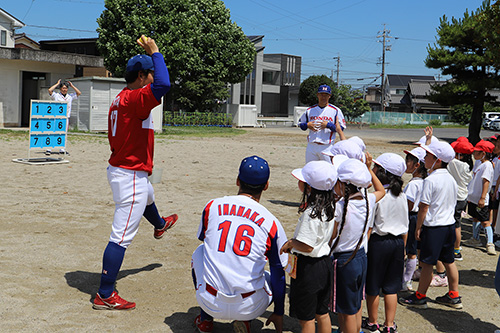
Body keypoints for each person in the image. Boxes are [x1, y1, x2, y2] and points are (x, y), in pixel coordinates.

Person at [93, 36, 178, 310]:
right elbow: (164, 85)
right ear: (141, 76)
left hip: (123, 168)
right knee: (120, 236)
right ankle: (105, 293)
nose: (153, 78)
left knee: (149, 194)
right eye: (149, 74)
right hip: (129, 174)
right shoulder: (136, 99)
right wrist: (155, 51)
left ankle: (159, 224)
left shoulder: (121, 97)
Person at [192, 156, 288, 333]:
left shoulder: (212, 206)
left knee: (199, 252)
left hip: (210, 301)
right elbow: (279, 273)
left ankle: (205, 320)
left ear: (237, 181)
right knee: (270, 272)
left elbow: (205, 240)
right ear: (266, 185)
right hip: (250, 306)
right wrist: (279, 312)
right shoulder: (271, 221)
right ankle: (244, 320)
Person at [399, 140, 462, 310]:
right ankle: (454, 295)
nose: (425, 158)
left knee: (427, 263)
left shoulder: (431, 180)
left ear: (438, 160)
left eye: (428, 156)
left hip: (434, 227)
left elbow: (424, 207)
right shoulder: (451, 179)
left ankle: (420, 296)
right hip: (449, 225)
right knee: (449, 261)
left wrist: (419, 227)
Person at [329, 156, 385, 333]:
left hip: (343, 260)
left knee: (345, 311)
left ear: (344, 184)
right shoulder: (368, 200)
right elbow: (381, 190)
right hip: (360, 257)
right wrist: (368, 170)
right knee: (353, 305)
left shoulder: (339, 207)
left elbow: (331, 237)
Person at [280, 160, 338, 333]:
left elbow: (307, 246)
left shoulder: (311, 213)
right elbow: (332, 234)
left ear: (309, 187)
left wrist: (290, 244)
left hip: (309, 268)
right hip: (325, 264)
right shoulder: (330, 206)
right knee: (322, 313)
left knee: (306, 319)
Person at [363, 153, 408, 333]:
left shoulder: (377, 197)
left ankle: (373, 322)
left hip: (378, 243)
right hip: (397, 243)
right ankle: (389, 325)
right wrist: (403, 248)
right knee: (391, 287)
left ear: (382, 173)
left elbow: (370, 227)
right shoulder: (402, 196)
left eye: (375, 168)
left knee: (373, 285)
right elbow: (406, 226)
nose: (373, 170)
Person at [463, 139, 496, 255]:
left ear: (483, 154)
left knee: (485, 221)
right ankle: (475, 239)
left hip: (480, 199)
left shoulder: (487, 165)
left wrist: (482, 198)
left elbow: (486, 182)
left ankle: (490, 243)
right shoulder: (481, 164)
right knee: (476, 218)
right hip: (474, 198)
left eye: (477, 152)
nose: (474, 154)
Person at [298, 84, 346, 163]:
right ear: (317, 95)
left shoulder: (335, 110)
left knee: (328, 171)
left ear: (329, 96)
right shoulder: (310, 110)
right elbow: (301, 124)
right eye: (321, 94)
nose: (323, 97)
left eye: (326, 95)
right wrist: (307, 125)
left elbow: (341, 128)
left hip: (327, 147)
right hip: (311, 146)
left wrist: (329, 125)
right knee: (310, 170)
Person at [401, 147, 427, 291]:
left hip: (410, 217)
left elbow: (409, 206)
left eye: (409, 160)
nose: (406, 163)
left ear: (417, 165)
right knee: (413, 249)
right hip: (418, 217)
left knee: (409, 250)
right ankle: (407, 280)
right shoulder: (424, 181)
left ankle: (406, 281)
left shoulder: (413, 184)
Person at [448, 137, 473, 261]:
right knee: (458, 224)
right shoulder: (468, 165)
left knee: (454, 225)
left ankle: (455, 250)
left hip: (455, 198)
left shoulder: (455, 163)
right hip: (463, 197)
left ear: (460, 155)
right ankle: (457, 249)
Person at [47, 79, 82, 154]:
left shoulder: (70, 96)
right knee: (53, 132)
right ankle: (49, 149)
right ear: (60, 89)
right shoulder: (56, 96)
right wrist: (57, 84)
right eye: (63, 88)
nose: (64, 90)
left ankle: (62, 149)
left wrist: (72, 86)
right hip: (56, 117)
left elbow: (79, 93)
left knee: (63, 133)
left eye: (66, 88)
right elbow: (50, 90)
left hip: (65, 118)